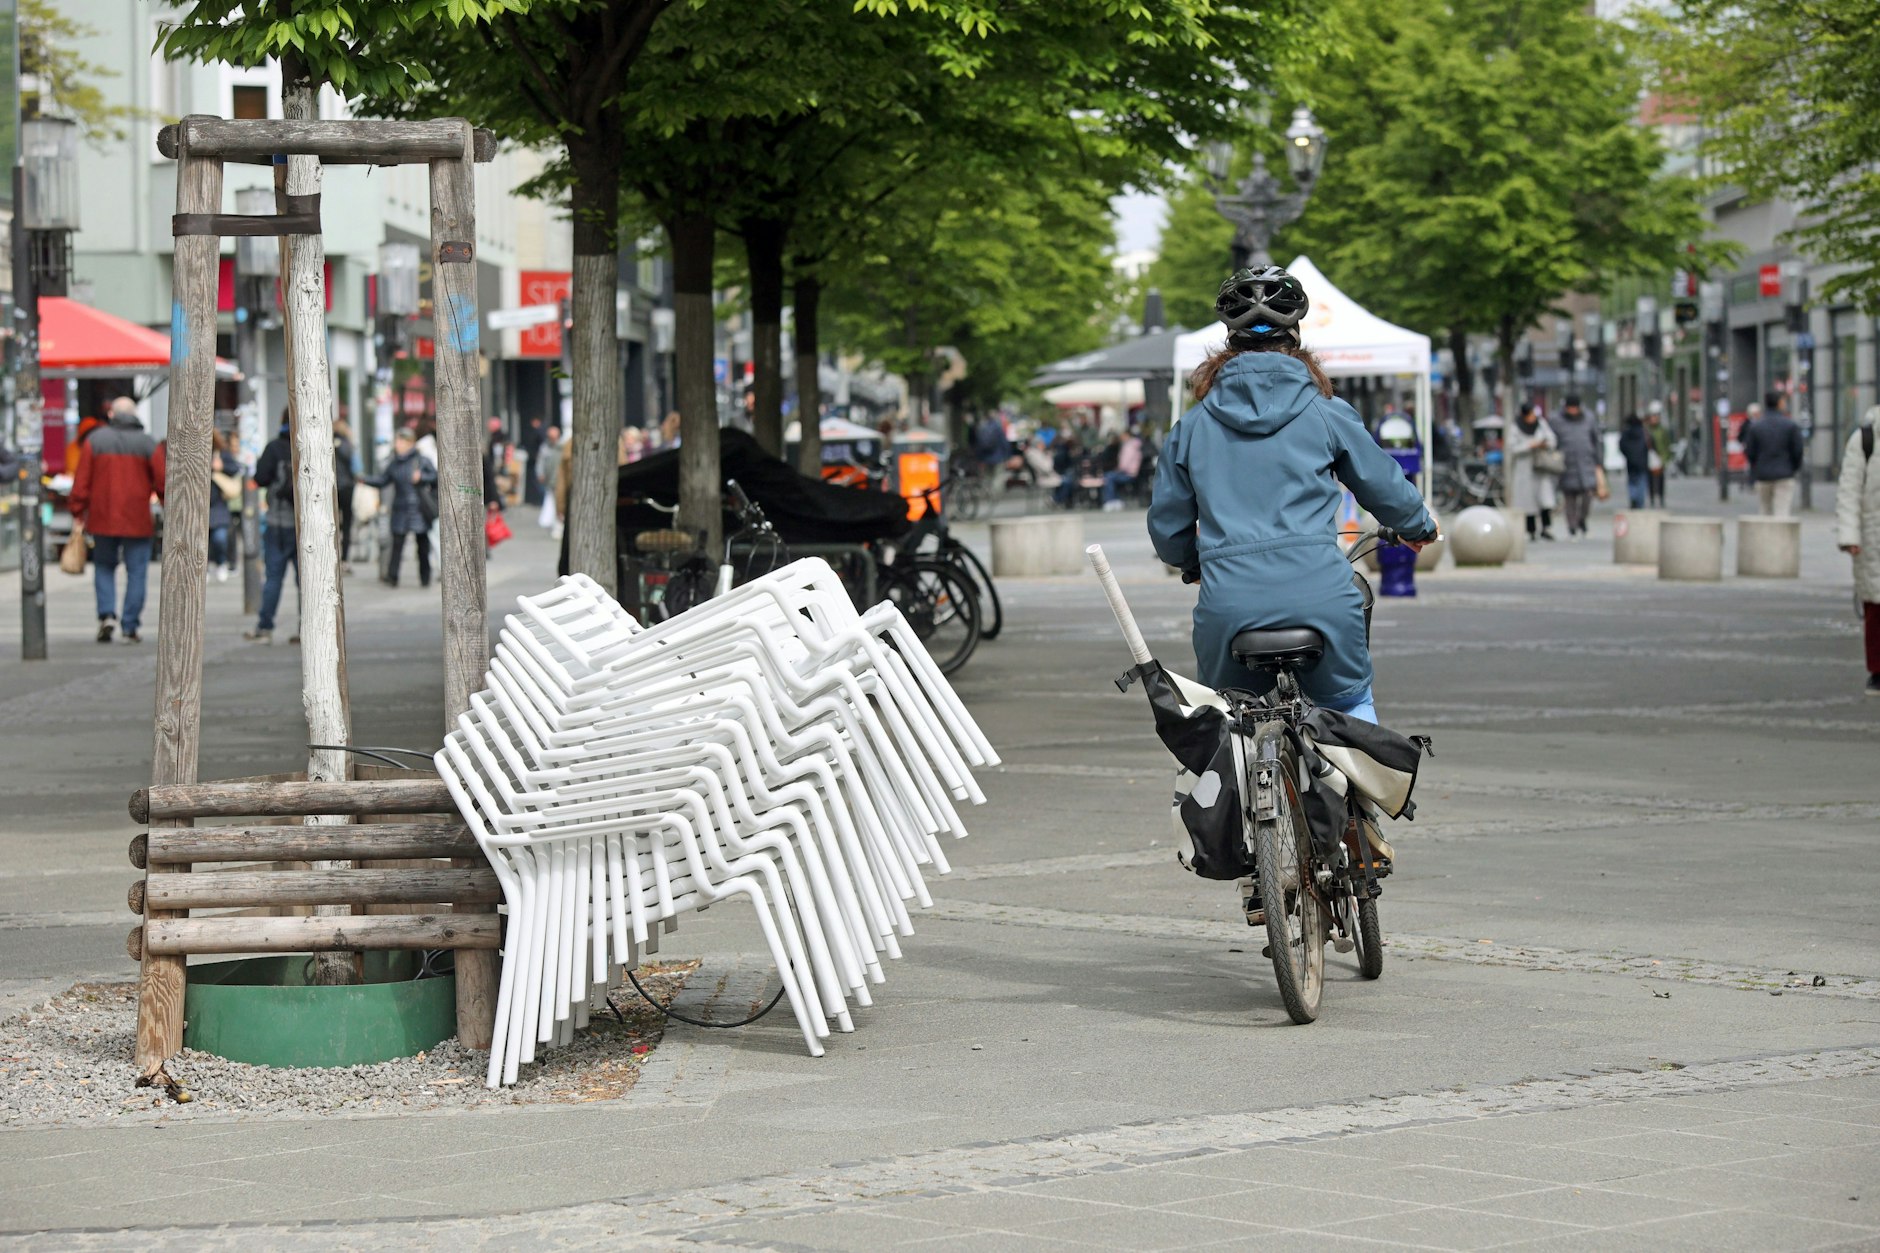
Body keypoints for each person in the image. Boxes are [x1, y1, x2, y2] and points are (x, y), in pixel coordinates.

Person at [1148, 266, 1436, 725]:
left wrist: (1192, 563)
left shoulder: (1193, 426)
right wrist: (1418, 525)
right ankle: (1369, 792)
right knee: (1350, 709)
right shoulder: (1326, 413)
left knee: (1227, 723)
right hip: (1321, 599)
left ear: (1228, 341)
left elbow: (1167, 528)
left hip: (1229, 608)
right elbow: (1382, 483)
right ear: (1295, 337)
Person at [70, 397, 165, 644]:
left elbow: (81, 482)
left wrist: (77, 511)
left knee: (103, 567)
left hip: (102, 517)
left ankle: (107, 615)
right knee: (137, 572)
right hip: (137, 519)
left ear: (112, 414)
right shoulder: (147, 443)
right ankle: (130, 625)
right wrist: (169, 509)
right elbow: (164, 481)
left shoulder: (95, 441)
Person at [1836, 406, 1880, 697]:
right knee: (1876, 605)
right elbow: (1849, 491)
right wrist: (1849, 535)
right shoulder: (1866, 437)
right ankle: (1878, 670)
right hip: (1874, 534)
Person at [244, 413, 299, 644]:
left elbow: (260, 478)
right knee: (306, 581)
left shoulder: (274, 448)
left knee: (274, 577)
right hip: (305, 526)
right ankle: (307, 626)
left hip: (277, 522)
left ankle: (265, 627)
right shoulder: (312, 445)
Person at [367, 428, 438, 588]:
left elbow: (435, 477)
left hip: (419, 508)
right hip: (400, 508)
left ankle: (425, 577)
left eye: (400, 441)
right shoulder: (395, 463)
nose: (397, 445)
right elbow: (383, 480)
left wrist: (422, 477)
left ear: (409, 443)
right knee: (397, 545)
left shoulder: (421, 460)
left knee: (422, 546)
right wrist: (364, 480)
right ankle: (392, 577)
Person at [1742, 390, 1805, 517]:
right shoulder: (1790, 425)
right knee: (1782, 510)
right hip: (1785, 473)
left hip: (1762, 473)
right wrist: (1793, 467)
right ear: (1780, 403)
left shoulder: (1756, 426)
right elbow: (1798, 450)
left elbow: (1750, 451)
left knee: (1764, 510)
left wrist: (1756, 466)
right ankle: (1780, 536)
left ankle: (1765, 536)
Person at [1551, 394, 1603, 538]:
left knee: (1588, 496)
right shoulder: (1556, 420)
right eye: (1570, 408)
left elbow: (1596, 441)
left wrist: (1599, 461)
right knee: (1570, 499)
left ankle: (1582, 519)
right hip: (1566, 466)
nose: (1573, 411)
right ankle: (1572, 526)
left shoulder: (1589, 418)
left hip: (1587, 463)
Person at [1506, 402, 1558, 540]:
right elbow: (1512, 448)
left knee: (1545, 500)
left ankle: (1546, 528)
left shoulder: (1541, 423)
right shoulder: (1515, 427)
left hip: (1541, 467)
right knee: (1527, 502)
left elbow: (1552, 439)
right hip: (1525, 469)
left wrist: (1544, 443)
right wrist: (1529, 445)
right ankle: (1531, 531)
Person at [208, 430, 245, 583]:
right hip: (202, 504)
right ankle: (206, 567)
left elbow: (235, 469)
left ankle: (221, 563)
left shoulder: (221, 454)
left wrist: (221, 467)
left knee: (220, 538)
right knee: (202, 541)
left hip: (218, 505)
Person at [332, 417, 357, 568]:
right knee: (347, 522)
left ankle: (333, 554)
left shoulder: (326, 442)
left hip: (333, 486)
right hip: (347, 486)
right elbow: (354, 465)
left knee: (333, 523)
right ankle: (345, 559)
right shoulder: (347, 444)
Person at [1100, 429, 1145, 511]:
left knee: (1109, 477)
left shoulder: (1130, 447)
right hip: (1129, 472)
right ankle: (1115, 499)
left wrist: (1119, 469)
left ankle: (1111, 500)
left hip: (1129, 473)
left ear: (1127, 435)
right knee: (1110, 476)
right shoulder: (1132, 445)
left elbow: (1126, 463)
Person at [1618, 412, 1651, 509]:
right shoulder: (1643, 432)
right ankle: (1639, 502)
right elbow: (1648, 444)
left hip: (1631, 462)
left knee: (1632, 481)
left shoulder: (1626, 433)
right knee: (1641, 481)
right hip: (1642, 461)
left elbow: (1621, 445)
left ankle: (1633, 497)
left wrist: (1628, 455)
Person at [535, 424, 563, 532]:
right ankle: (553, 522)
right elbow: (540, 462)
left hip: (560, 480)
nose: (552, 439)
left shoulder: (563, 447)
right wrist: (540, 473)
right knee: (551, 500)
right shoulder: (545, 447)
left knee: (559, 501)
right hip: (550, 479)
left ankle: (558, 524)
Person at [1645, 402, 1671, 507]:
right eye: (1653, 416)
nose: (1654, 418)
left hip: (1660, 459)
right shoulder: (1646, 430)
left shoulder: (1662, 431)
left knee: (1660, 480)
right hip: (1649, 458)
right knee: (1650, 480)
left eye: (1656, 416)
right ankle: (1651, 498)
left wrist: (1665, 458)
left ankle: (1661, 498)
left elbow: (1666, 444)